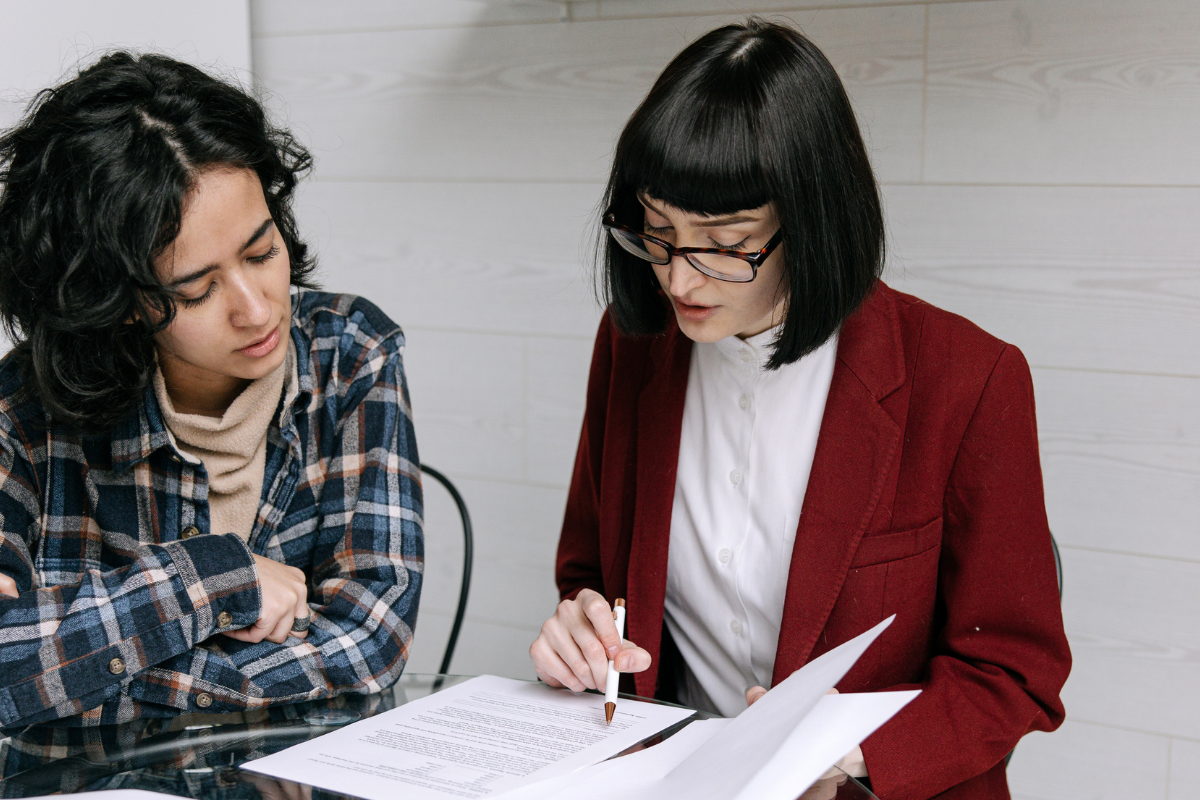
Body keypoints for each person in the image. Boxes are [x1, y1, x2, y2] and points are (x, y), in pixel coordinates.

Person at [529, 19, 1070, 800]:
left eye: (723, 242)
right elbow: (592, 576)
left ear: (811, 222)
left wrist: (848, 751)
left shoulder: (967, 380)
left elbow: (1016, 670)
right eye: (658, 232)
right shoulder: (633, 347)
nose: (679, 280)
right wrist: (580, 627)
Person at [0, 52, 422, 728]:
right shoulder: (21, 414)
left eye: (262, 253)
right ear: (118, 300)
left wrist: (89, 673)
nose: (257, 311)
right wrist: (207, 578)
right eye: (196, 291)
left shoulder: (350, 355)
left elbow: (371, 644)